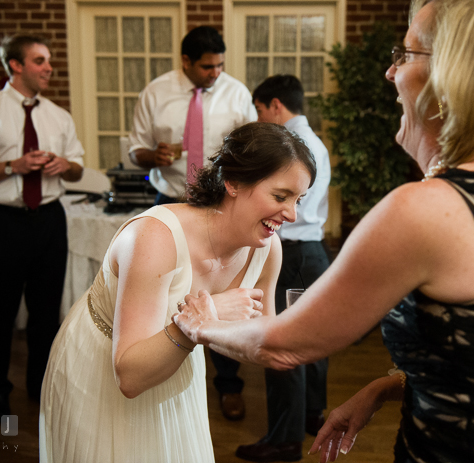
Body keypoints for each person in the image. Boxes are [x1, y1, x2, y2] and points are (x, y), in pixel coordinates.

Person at [175, 0, 474, 462]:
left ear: (454, 76)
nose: (390, 71)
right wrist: (386, 387)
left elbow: (282, 346)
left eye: (405, 53)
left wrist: (203, 325)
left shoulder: (424, 210)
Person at [39, 122, 316, 463]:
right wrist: (202, 320)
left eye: (299, 200)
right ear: (233, 182)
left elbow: (257, 341)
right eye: (280, 196)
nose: (292, 214)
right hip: (104, 366)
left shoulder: (267, 249)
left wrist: (289, 344)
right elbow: (130, 377)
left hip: (177, 365)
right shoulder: (155, 238)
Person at [0, 34, 85, 418]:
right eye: (40, 61)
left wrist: (64, 164)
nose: (49, 68)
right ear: (16, 65)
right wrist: (13, 166)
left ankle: (40, 385)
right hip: (3, 223)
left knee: (46, 312)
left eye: (48, 61)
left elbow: (77, 166)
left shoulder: (58, 116)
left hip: (49, 220)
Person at [129, 25, 257, 420]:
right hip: (168, 200)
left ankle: (228, 385)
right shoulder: (155, 92)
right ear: (185, 61)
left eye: (220, 65)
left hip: (219, 207)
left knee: (220, 292)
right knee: (165, 293)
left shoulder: (236, 93)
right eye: (206, 67)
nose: (215, 73)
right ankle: (159, 370)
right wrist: (154, 155)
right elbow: (135, 149)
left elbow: (255, 149)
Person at [235, 74, 331, 462]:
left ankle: (284, 439)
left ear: (276, 105)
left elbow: (285, 213)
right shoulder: (315, 142)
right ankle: (310, 414)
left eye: (260, 110)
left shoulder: (292, 147)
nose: (260, 118)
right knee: (314, 341)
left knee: (280, 343)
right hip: (312, 252)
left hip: (291, 253)